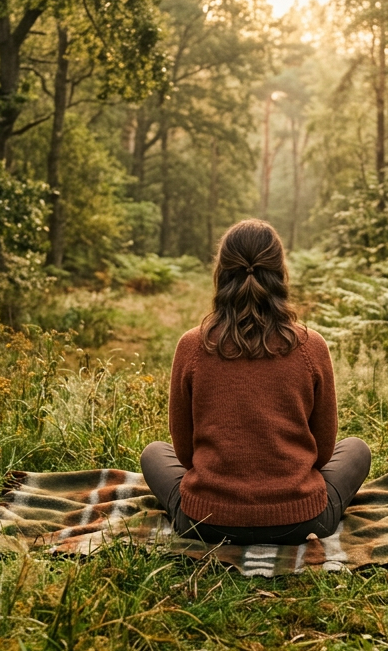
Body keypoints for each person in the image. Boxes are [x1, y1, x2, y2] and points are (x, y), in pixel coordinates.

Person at [141, 219, 372, 546]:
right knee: (356, 449)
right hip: (301, 522)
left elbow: (183, 454)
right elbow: (322, 454)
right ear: (280, 274)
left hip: (205, 523)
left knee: (154, 454)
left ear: (221, 274)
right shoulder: (312, 347)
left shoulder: (191, 347)